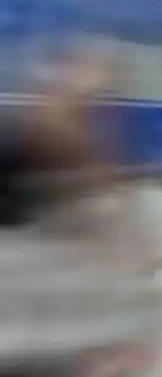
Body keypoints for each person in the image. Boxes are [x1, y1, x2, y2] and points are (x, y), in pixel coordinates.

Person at [0, 46, 148, 265]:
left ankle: (132, 254)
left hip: (33, 192)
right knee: (105, 199)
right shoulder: (52, 113)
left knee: (109, 197)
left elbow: (94, 166)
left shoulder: (91, 116)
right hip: (20, 195)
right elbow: (74, 163)